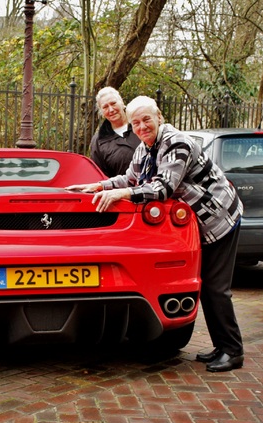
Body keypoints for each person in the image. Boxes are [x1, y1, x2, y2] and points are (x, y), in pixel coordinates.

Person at [67, 95, 244, 372]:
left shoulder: (177, 142)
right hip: (202, 223)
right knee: (207, 287)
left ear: (159, 116)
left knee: (215, 289)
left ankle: (232, 351)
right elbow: (130, 178)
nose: (141, 127)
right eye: (136, 122)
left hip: (221, 218)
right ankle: (222, 347)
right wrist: (97, 186)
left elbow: (163, 187)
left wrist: (122, 194)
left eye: (146, 120)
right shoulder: (145, 147)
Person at [89, 87, 141, 177]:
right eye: (105, 107)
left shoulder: (141, 126)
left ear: (122, 102)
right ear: (101, 112)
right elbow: (98, 175)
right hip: (118, 189)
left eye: (113, 103)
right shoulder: (99, 141)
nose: (111, 110)